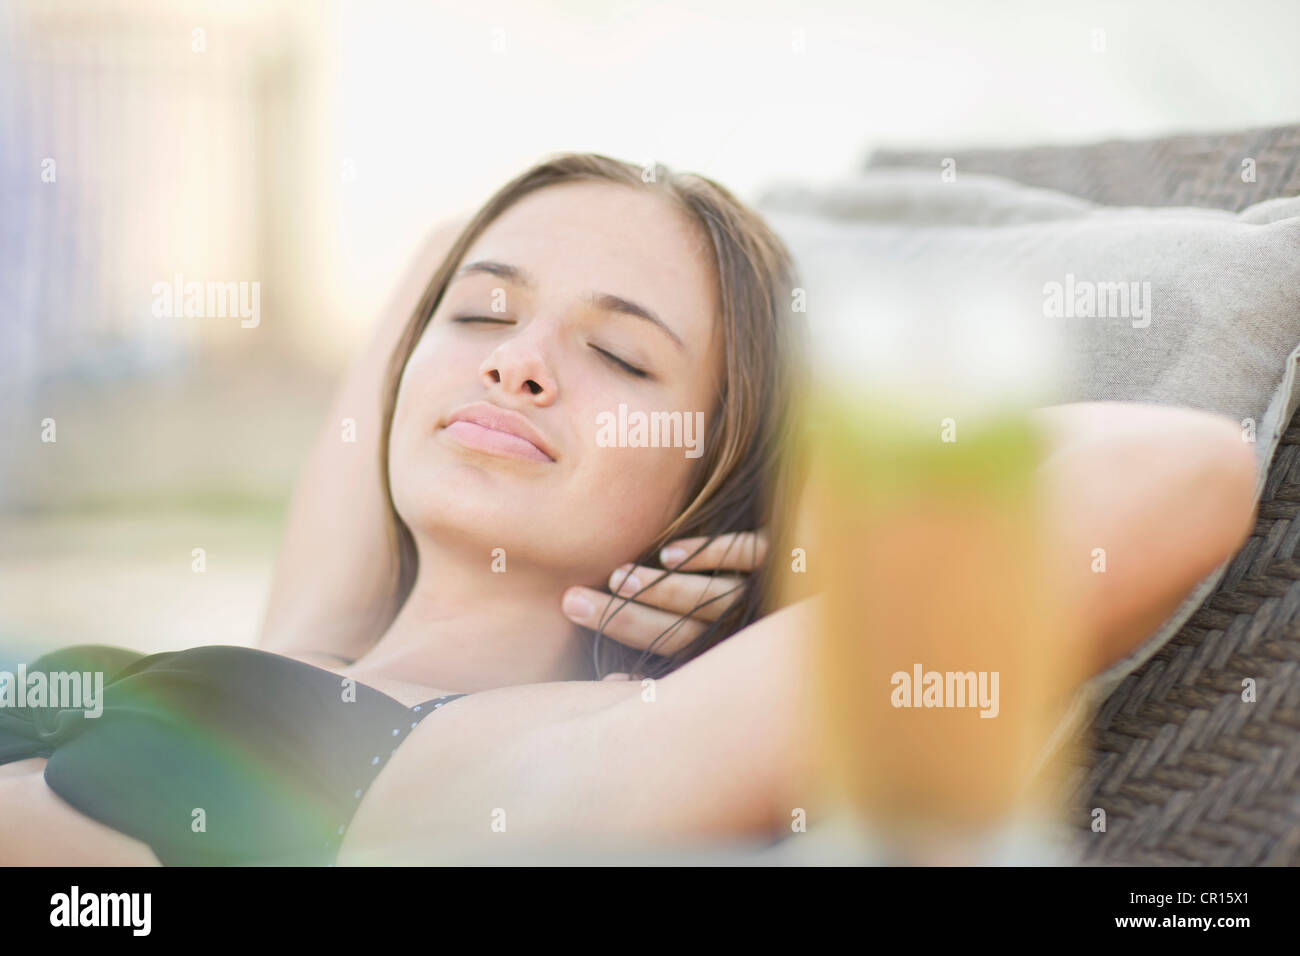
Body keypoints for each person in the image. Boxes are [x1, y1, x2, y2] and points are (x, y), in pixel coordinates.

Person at [0, 153, 1259, 865]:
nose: (516, 360)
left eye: (625, 358)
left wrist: (785, 526)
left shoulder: (546, 763)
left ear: (711, 472)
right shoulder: (314, 642)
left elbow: (1180, 472)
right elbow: (443, 239)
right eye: (485, 315)